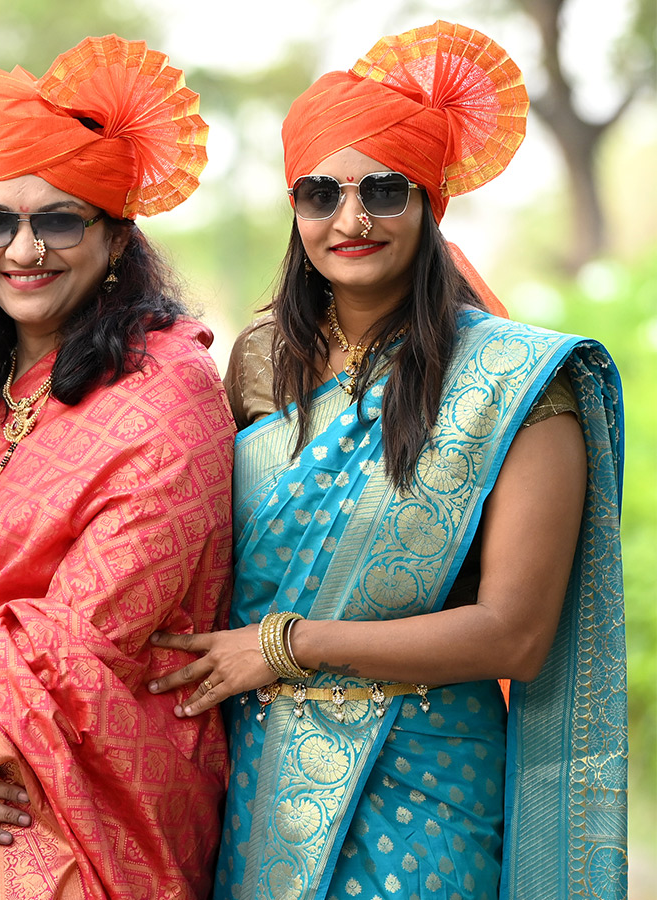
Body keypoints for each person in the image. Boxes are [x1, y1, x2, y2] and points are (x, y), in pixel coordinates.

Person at [147, 21, 627, 900]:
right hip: (260, 782)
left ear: (431, 203)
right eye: (321, 193)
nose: (352, 218)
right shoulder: (256, 361)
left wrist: (287, 647)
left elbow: (515, 635)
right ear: (295, 207)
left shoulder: (517, 383)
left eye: (385, 190)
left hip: (429, 783)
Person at [0, 35, 235, 900]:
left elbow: (90, 626)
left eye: (60, 220)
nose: (24, 249)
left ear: (116, 240)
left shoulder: (166, 390)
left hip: (94, 816)